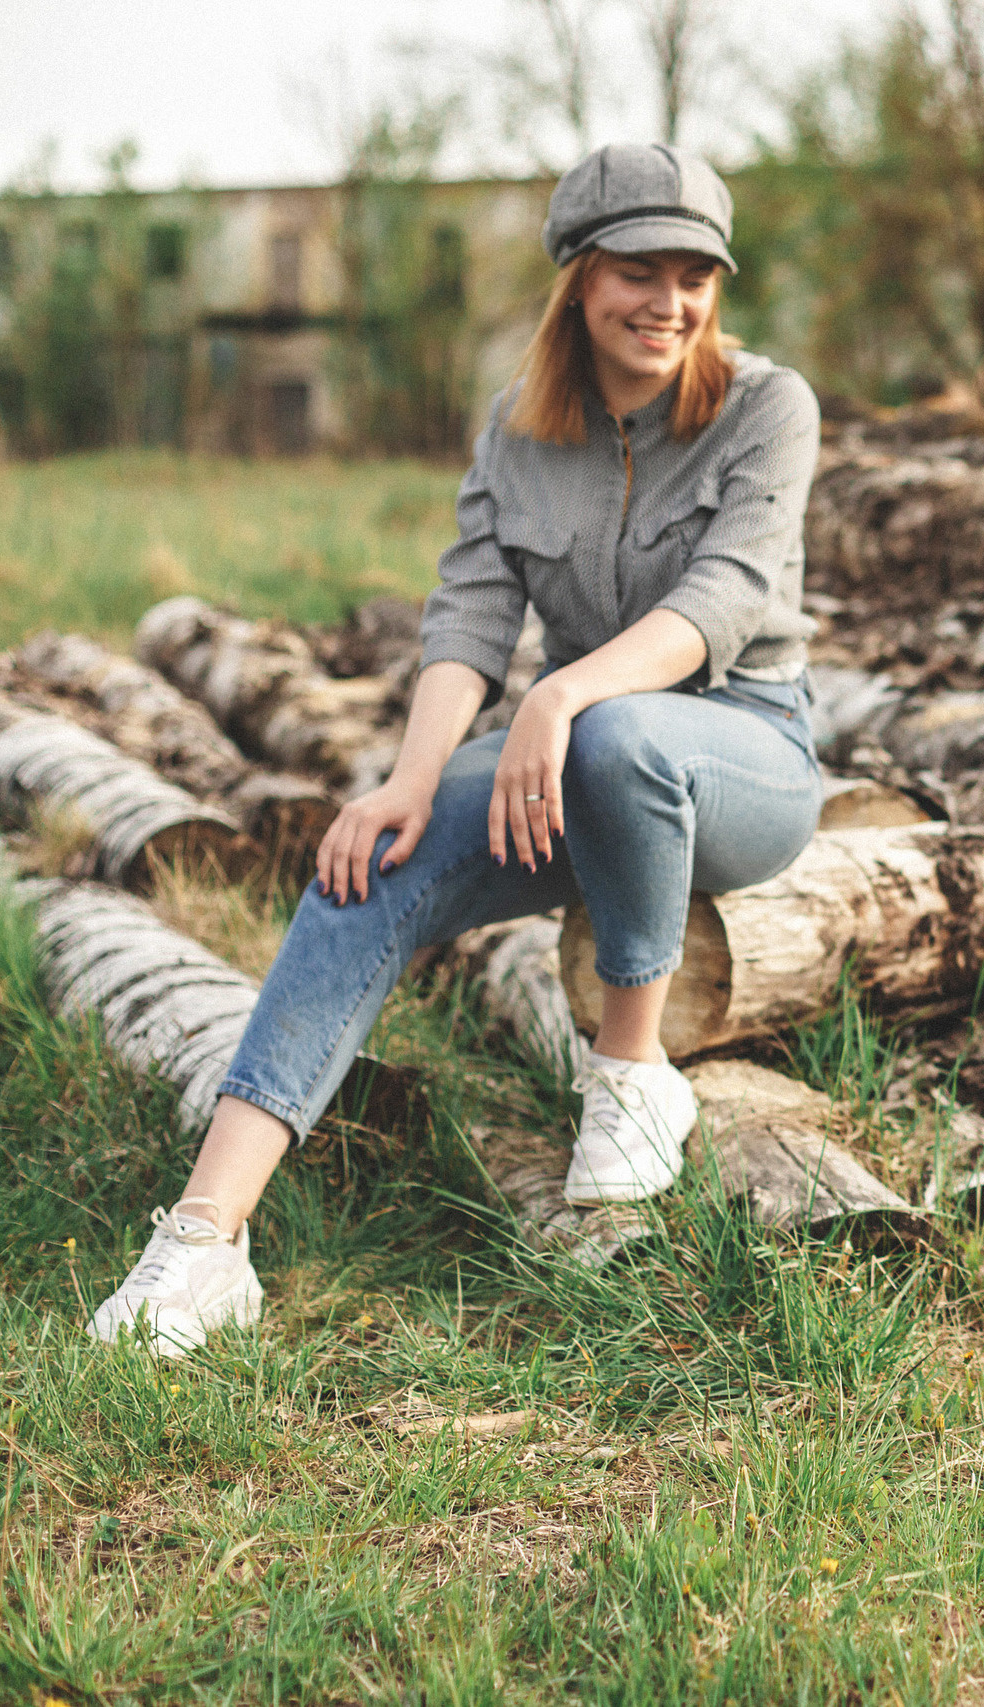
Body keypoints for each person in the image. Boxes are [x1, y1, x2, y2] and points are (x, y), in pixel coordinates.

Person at [88, 144, 824, 1356]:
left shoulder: (766, 405)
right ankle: (203, 1244)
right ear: (580, 279)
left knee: (616, 733)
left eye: (697, 272)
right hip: (587, 755)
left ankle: (631, 1077)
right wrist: (412, 780)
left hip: (742, 755)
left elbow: (728, 602)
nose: (672, 301)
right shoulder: (519, 428)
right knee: (365, 866)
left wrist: (559, 701)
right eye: (640, 267)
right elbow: (473, 612)